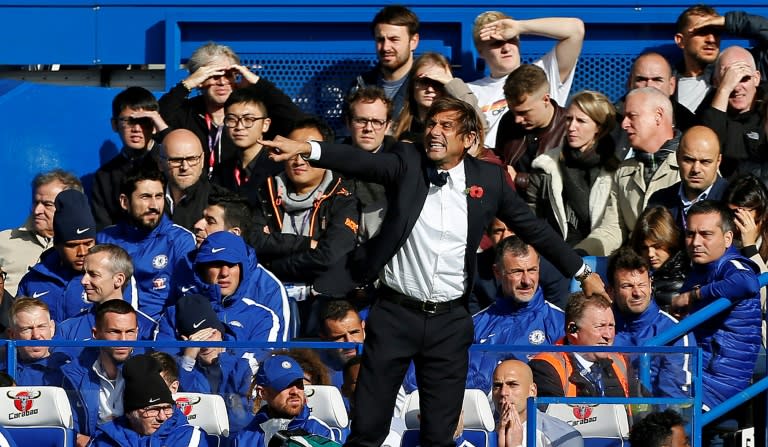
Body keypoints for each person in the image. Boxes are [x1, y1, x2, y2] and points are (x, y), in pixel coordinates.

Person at [261, 95, 606, 447]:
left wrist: (582, 272)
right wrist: (306, 148)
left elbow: (535, 230)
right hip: (395, 314)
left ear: (469, 139)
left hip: (449, 321)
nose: (435, 132)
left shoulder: (489, 180)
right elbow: (359, 160)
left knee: (440, 436)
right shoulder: (407, 161)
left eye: (446, 126)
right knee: (368, 429)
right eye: (431, 124)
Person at [252, 123, 359, 334]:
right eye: (292, 150)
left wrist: (271, 262)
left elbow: (329, 256)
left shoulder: (343, 196)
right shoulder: (265, 192)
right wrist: (304, 244)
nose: (299, 160)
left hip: (323, 306)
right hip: (270, 299)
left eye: (306, 151)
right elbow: (253, 243)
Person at [673, 200, 761, 410]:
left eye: (706, 234)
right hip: (698, 374)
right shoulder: (699, 270)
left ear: (728, 238)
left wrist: (695, 295)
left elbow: (747, 282)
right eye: (690, 234)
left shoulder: (731, 265)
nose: (695, 242)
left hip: (720, 383)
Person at [576, 87, 681, 256]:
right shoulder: (624, 171)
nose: (624, 124)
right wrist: (580, 254)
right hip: (636, 272)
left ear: (658, 116)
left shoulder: (692, 165)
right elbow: (613, 229)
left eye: (632, 116)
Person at [159, 42, 284, 176]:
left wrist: (258, 83)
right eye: (215, 75)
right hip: (197, 193)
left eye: (229, 75)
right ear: (199, 80)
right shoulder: (187, 112)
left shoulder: (254, 115)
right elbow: (157, 117)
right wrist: (187, 84)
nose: (222, 82)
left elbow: (292, 117)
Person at [468, 10, 584, 149]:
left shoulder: (543, 72)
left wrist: (519, 27)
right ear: (480, 51)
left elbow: (576, 30)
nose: (506, 48)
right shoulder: (470, 90)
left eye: (511, 39)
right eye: (496, 43)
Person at [97, 164, 196, 321]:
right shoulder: (105, 239)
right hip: (114, 331)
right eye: (145, 197)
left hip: (160, 334)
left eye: (159, 196)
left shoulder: (179, 240)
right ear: (124, 202)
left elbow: (190, 299)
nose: (154, 206)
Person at [467, 236, 566, 392]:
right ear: (497, 272)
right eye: (517, 272)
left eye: (532, 270)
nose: (527, 280)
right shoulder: (475, 326)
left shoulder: (560, 323)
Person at [157, 231, 285, 352]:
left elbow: (261, 367)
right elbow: (164, 367)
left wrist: (220, 354)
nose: (224, 273)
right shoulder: (174, 315)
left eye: (231, 264)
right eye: (217, 264)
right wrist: (189, 358)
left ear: (243, 269)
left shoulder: (263, 318)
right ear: (202, 269)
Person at [527, 90, 620, 245]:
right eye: (569, 119)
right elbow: (533, 220)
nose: (571, 127)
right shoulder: (546, 166)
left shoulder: (617, 172)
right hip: (556, 255)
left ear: (599, 127)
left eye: (581, 121)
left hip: (602, 256)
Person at [609, 248, 694, 399]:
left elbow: (673, 399)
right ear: (612, 291)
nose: (637, 293)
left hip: (653, 420)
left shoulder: (674, 332)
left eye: (641, 284)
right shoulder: (600, 328)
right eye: (627, 286)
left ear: (650, 284)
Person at [61, 299, 140, 446]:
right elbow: (70, 428)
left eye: (129, 332)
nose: (123, 340)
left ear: (137, 332)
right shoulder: (74, 375)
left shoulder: (148, 372)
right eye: (114, 332)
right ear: (95, 334)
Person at [173, 293, 255, 432]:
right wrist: (188, 360)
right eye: (198, 339)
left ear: (220, 332)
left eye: (210, 335)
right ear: (186, 341)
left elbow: (242, 416)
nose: (206, 345)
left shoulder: (245, 359)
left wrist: (224, 361)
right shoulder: (180, 367)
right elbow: (187, 409)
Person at [89, 354, 209, 447]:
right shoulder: (106, 439)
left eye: (167, 408)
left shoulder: (189, 438)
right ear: (130, 413)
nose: (162, 417)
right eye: (153, 410)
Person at [91, 86, 168, 229]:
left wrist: (163, 130)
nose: (137, 129)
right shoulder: (104, 176)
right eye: (130, 121)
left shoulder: (170, 164)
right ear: (114, 124)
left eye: (145, 121)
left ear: (154, 124)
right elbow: (103, 228)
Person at [529, 292, 630, 399]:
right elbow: (552, 414)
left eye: (611, 326)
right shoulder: (546, 367)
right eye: (600, 326)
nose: (608, 335)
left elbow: (642, 409)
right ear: (573, 330)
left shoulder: (620, 361)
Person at [212, 81, 303, 197]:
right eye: (232, 119)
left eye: (248, 120)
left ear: (265, 125)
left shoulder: (280, 168)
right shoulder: (221, 171)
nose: (239, 127)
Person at [0, 169, 82, 297]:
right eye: (36, 202)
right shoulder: (4, 241)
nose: (37, 210)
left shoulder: (85, 248)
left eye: (47, 204)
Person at [17, 189, 96, 322]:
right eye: (72, 245)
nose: (82, 252)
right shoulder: (33, 281)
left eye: (88, 243)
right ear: (57, 245)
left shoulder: (111, 278)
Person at [55, 244, 155, 345]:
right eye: (83, 273)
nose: (83, 281)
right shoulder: (68, 329)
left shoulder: (148, 329)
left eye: (93, 274)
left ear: (118, 280)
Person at [233, 354, 335, 447]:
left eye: (299, 384)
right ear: (263, 393)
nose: (295, 391)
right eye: (285, 385)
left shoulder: (320, 431)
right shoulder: (244, 438)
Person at [495, 64, 569, 192]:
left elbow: (572, 185)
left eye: (524, 112)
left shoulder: (570, 128)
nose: (517, 119)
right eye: (513, 112)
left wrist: (520, 179)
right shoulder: (509, 122)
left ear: (546, 99)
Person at [700, 46, 766, 179]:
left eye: (744, 78)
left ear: (756, 78)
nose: (736, 87)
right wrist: (724, 90)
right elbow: (706, 150)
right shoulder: (707, 112)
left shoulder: (766, 109)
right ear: (716, 82)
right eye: (728, 78)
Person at [647, 125, 727, 231]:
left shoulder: (731, 200)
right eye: (689, 160)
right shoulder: (659, 201)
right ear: (677, 157)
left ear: (718, 161)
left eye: (705, 162)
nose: (696, 169)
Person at [393, 52, 481, 143]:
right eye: (424, 82)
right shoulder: (396, 123)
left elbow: (479, 129)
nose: (430, 89)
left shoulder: (457, 127)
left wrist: (452, 83)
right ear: (412, 85)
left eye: (437, 83)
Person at [493, 359, 583, 447]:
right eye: (497, 386)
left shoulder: (563, 436)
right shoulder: (483, 429)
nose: (503, 392)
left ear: (532, 391)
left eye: (513, 385)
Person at [352, 5, 420, 122]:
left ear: (413, 41)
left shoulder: (427, 86)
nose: (386, 47)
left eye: (394, 39)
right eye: (380, 40)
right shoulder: (360, 85)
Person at [723, 174, 768, 343]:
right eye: (730, 212)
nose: (734, 221)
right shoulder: (722, 243)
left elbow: (761, 299)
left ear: (761, 213)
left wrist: (750, 248)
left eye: (740, 213)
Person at [160, 128, 229, 231]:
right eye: (176, 160)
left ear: (202, 160)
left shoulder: (221, 202)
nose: (184, 167)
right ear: (160, 163)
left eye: (192, 159)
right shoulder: (148, 199)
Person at [630, 206, 689, 312]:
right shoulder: (629, 269)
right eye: (644, 248)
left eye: (657, 246)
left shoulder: (687, 276)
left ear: (670, 241)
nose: (650, 254)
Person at [2, 297, 70, 386]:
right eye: (27, 329)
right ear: (12, 334)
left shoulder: (67, 372)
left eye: (41, 326)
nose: (36, 336)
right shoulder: (3, 373)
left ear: (52, 328)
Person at [318, 300, 365, 388]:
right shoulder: (316, 373)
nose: (349, 341)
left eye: (354, 332)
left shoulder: (383, 363)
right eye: (339, 337)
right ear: (324, 339)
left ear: (363, 327)